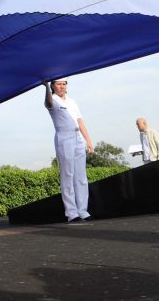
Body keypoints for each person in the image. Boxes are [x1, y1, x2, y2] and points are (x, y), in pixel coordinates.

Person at [43, 78, 94, 223]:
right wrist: (46, 87)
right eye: (58, 84)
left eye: (64, 84)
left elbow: (80, 120)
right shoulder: (52, 99)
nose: (62, 86)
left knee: (81, 176)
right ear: (53, 86)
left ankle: (83, 210)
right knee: (68, 175)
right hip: (64, 137)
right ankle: (72, 213)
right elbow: (48, 103)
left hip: (77, 136)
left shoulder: (72, 101)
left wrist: (88, 140)